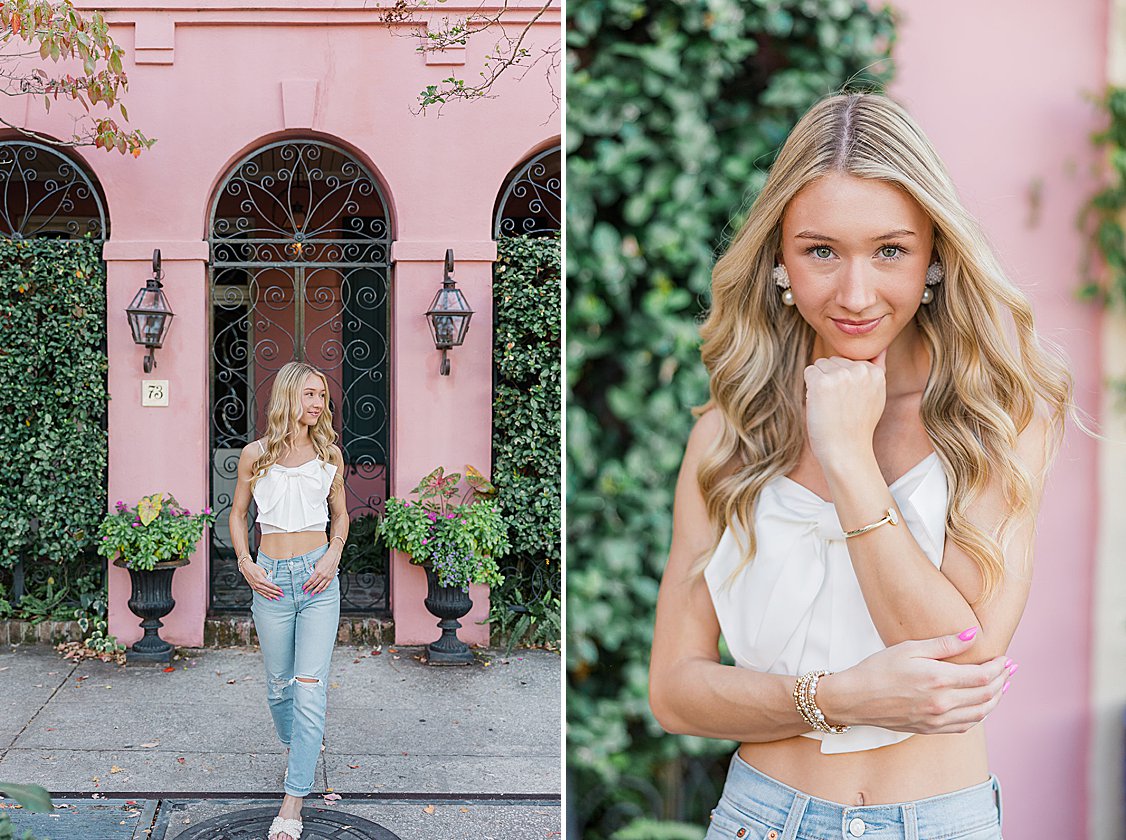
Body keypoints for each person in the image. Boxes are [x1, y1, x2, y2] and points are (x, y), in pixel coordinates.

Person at [649, 92, 1076, 839]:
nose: (854, 294)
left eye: (890, 250)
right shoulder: (726, 437)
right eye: (820, 251)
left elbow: (957, 665)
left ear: (935, 256)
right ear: (779, 261)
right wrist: (836, 698)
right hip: (761, 818)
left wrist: (848, 457)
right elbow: (676, 692)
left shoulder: (999, 420)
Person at [229, 360, 349, 840]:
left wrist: (333, 555)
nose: (318, 404)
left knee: (309, 685)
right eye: (310, 395)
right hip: (272, 580)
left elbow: (340, 517)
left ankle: (293, 800)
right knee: (280, 686)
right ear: (287, 398)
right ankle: (302, 742)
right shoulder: (254, 455)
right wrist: (245, 562)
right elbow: (239, 515)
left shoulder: (330, 456)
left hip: (319, 579)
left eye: (322, 396)